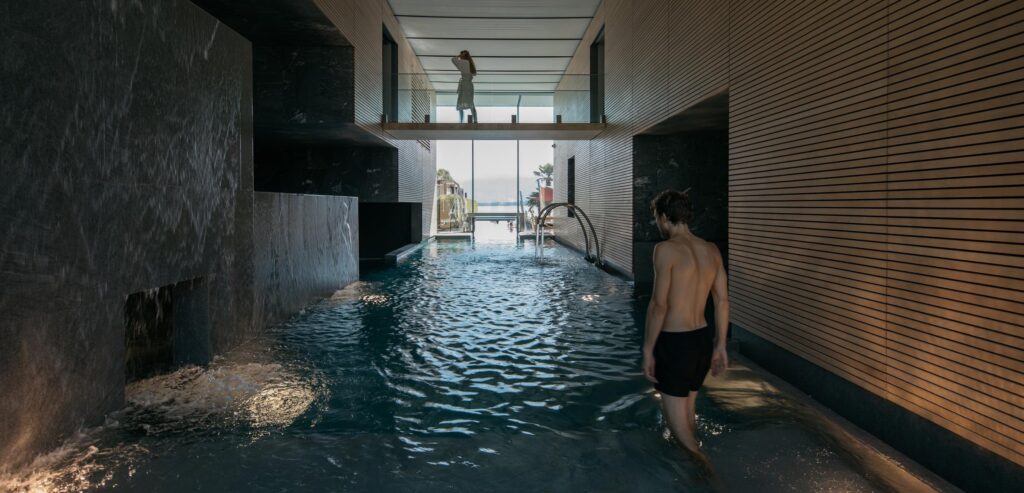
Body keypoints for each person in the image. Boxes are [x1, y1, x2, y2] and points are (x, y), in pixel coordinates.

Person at [642, 189, 729, 456]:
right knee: (688, 414)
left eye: (657, 217)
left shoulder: (665, 250)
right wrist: (720, 346)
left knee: (680, 433)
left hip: (675, 344)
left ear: (666, 217)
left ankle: (710, 477)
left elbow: (659, 305)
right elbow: (722, 302)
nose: (657, 223)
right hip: (701, 341)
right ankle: (695, 464)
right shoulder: (711, 250)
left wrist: (648, 349)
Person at [451, 50, 478, 124]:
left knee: (460, 103)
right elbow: (474, 74)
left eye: (461, 54)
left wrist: (459, 56)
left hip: (464, 85)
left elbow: (453, 59)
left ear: (463, 55)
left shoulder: (464, 62)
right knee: (471, 102)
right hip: (469, 85)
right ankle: (475, 120)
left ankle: (461, 121)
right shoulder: (470, 64)